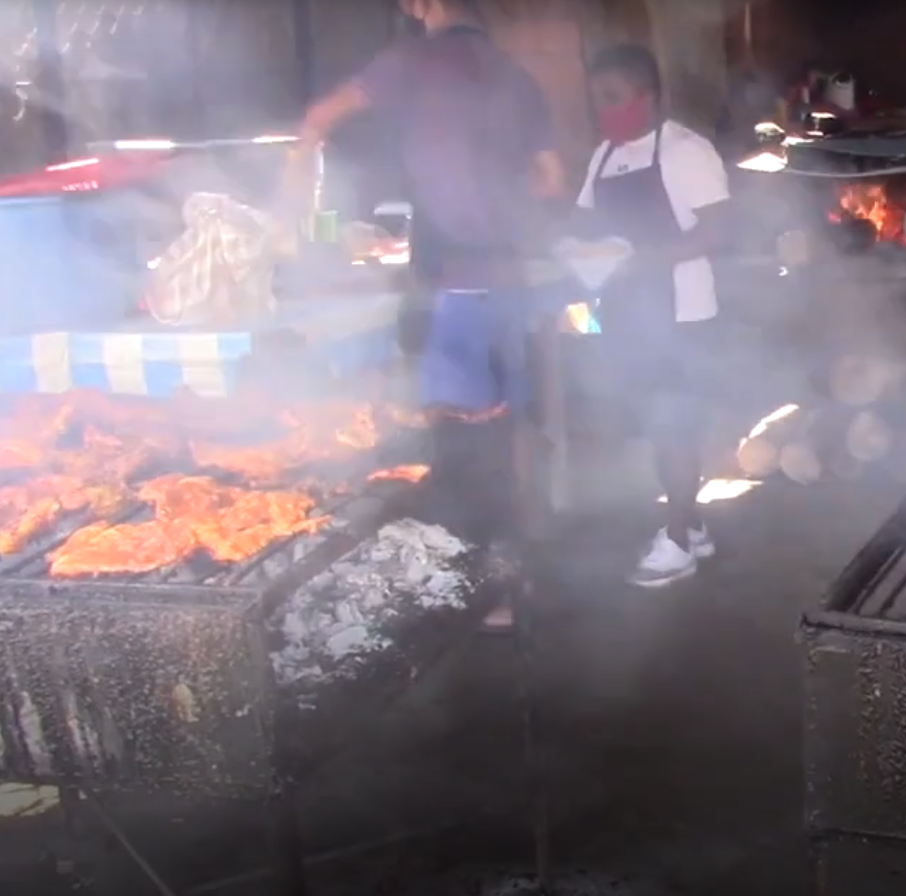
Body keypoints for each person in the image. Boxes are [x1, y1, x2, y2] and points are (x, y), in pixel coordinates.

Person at [291, 0, 566, 626]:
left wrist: (293, 185)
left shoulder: (413, 62)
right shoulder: (514, 76)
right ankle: (524, 578)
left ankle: (484, 596)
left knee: (463, 443)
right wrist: (499, 201)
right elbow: (551, 180)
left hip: (458, 288)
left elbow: (319, 118)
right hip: (511, 286)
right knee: (510, 431)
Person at [573, 44, 731, 588]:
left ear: (648, 96)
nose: (604, 110)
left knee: (674, 429)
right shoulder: (604, 156)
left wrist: (640, 260)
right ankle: (694, 524)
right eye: (597, 100)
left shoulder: (687, 152)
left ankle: (679, 542)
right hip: (629, 317)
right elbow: (584, 223)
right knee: (657, 428)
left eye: (613, 97)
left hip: (683, 315)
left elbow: (715, 232)